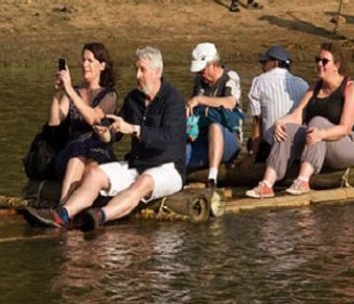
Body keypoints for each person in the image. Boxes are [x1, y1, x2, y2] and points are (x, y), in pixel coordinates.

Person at [26, 47, 185, 231]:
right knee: (95, 174)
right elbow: (115, 134)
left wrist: (134, 129)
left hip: (168, 167)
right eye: (136, 69)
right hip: (138, 164)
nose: (137, 75)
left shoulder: (173, 100)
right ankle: (62, 214)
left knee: (144, 182)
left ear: (158, 72)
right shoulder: (134, 99)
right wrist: (106, 134)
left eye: (142, 70)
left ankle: (100, 216)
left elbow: (168, 139)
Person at [246, 42, 354, 199]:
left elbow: (345, 128)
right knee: (287, 129)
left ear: (337, 65)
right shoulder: (314, 87)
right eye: (317, 60)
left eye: (325, 61)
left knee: (317, 122)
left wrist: (321, 133)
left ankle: (303, 180)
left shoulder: (349, 88)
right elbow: (297, 115)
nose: (319, 64)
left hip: (347, 145)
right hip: (319, 141)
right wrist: (280, 122)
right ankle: (267, 184)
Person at [49, 43, 118, 203]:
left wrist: (71, 92)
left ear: (102, 65)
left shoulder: (109, 95)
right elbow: (54, 121)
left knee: (93, 167)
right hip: (72, 152)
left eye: (89, 60)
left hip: (97, 150)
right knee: (77, 152)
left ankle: (69, 208)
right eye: (83, 60)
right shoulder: (72, 91)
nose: (84, 64)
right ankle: (63, 205)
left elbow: (94, 118)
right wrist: (57, 94)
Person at [184, 42, 243, 188]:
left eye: (202, 70)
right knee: (179, 153)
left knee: (214, 126)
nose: (200, 75)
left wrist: (200, 99)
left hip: (229, 137)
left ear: (213, 64)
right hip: (201, 137)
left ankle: (212, 177)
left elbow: (230, 102)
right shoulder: (198, 81)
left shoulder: (230, 77)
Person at [247, 45, 309, 162]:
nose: (262, 67)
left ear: (275, 63)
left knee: (251, 142)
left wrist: (251, 154)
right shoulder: (303, 84)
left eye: (265, 63)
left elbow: (257, 123)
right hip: (296, 149)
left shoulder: (259, 81)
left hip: (271, 148)